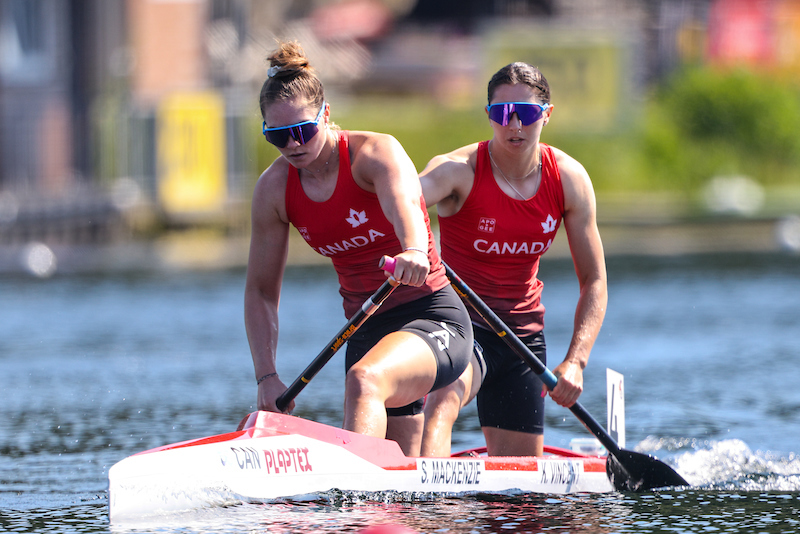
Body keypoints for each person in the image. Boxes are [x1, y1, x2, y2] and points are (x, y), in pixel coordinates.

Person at [244, 40, 474, 456]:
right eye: (278, 136)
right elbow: (260, 291)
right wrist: (267, 377)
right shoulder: (273, 190)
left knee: (365, 379)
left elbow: (405, 205)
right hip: (365, 328)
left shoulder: (374, 154)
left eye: (303, 129)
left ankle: (351, 509)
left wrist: (414, 251)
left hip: (432, 317)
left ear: (326, 114)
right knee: (402, 487)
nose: (294, 144)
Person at [418, 62, 608, 457]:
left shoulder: (569, 179)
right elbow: (401, 200)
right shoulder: (459, 171)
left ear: (547, 115)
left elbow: (594, 281)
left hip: (523, 336)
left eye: (527, 113)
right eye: (503, 113)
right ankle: (430, 513)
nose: (514, 124)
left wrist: (575, 361)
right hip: (462, 326)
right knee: (444, 401)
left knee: (521, 507)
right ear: (489, 115)